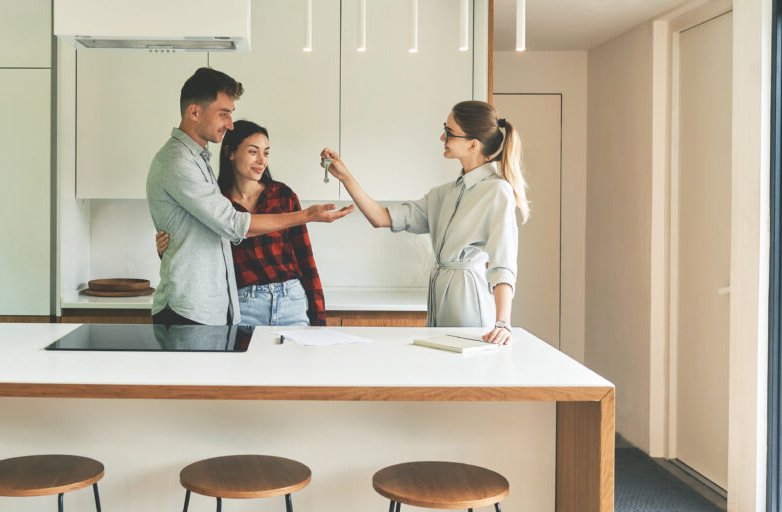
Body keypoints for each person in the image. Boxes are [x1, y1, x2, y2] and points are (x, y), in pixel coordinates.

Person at [146, 67, 353, 326]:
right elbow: (232, 224)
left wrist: (173, 243)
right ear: (195, 112)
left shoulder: (200, 161)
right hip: (191, 309)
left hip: (224, 307)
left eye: (266, 152)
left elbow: (198, 230)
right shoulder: (179, 162)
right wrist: (307, 215)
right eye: (224, 114)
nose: (230, 124)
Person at [320, 100, 528, 345]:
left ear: (473, 144)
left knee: (467, 376)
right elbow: (381, 217)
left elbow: (503, 264)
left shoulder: (497, 191)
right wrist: (345, 176)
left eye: (449, 133)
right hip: (439, 297)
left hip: (470, 300)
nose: (442, 137)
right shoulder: (443, 194)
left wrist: (503, 322)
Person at [156, 120, 327, 326]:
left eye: (266, 153)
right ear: (231, 153)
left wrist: (319, 318)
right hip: (243, 305)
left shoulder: (283, 195)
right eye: (253, 152)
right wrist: (165, 249)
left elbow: (306, 260)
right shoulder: (215, 202)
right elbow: (199, 250)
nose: (261, 160)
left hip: (292, 300)